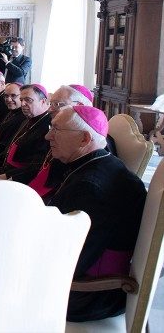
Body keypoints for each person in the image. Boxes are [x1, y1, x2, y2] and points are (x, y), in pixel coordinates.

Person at [45, 106, 146, 322]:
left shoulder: (90, 187)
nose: (48, 136)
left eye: (56, 130)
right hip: (87, 286)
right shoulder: (97, 164)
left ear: (84, 139)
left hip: (87, 296)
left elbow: (73, 260)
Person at [27, 84, 94, 197]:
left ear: (79, 106)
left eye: (57, 104)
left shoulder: (90, 139)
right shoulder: (60, 128)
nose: (49, 110)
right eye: (50, 104)